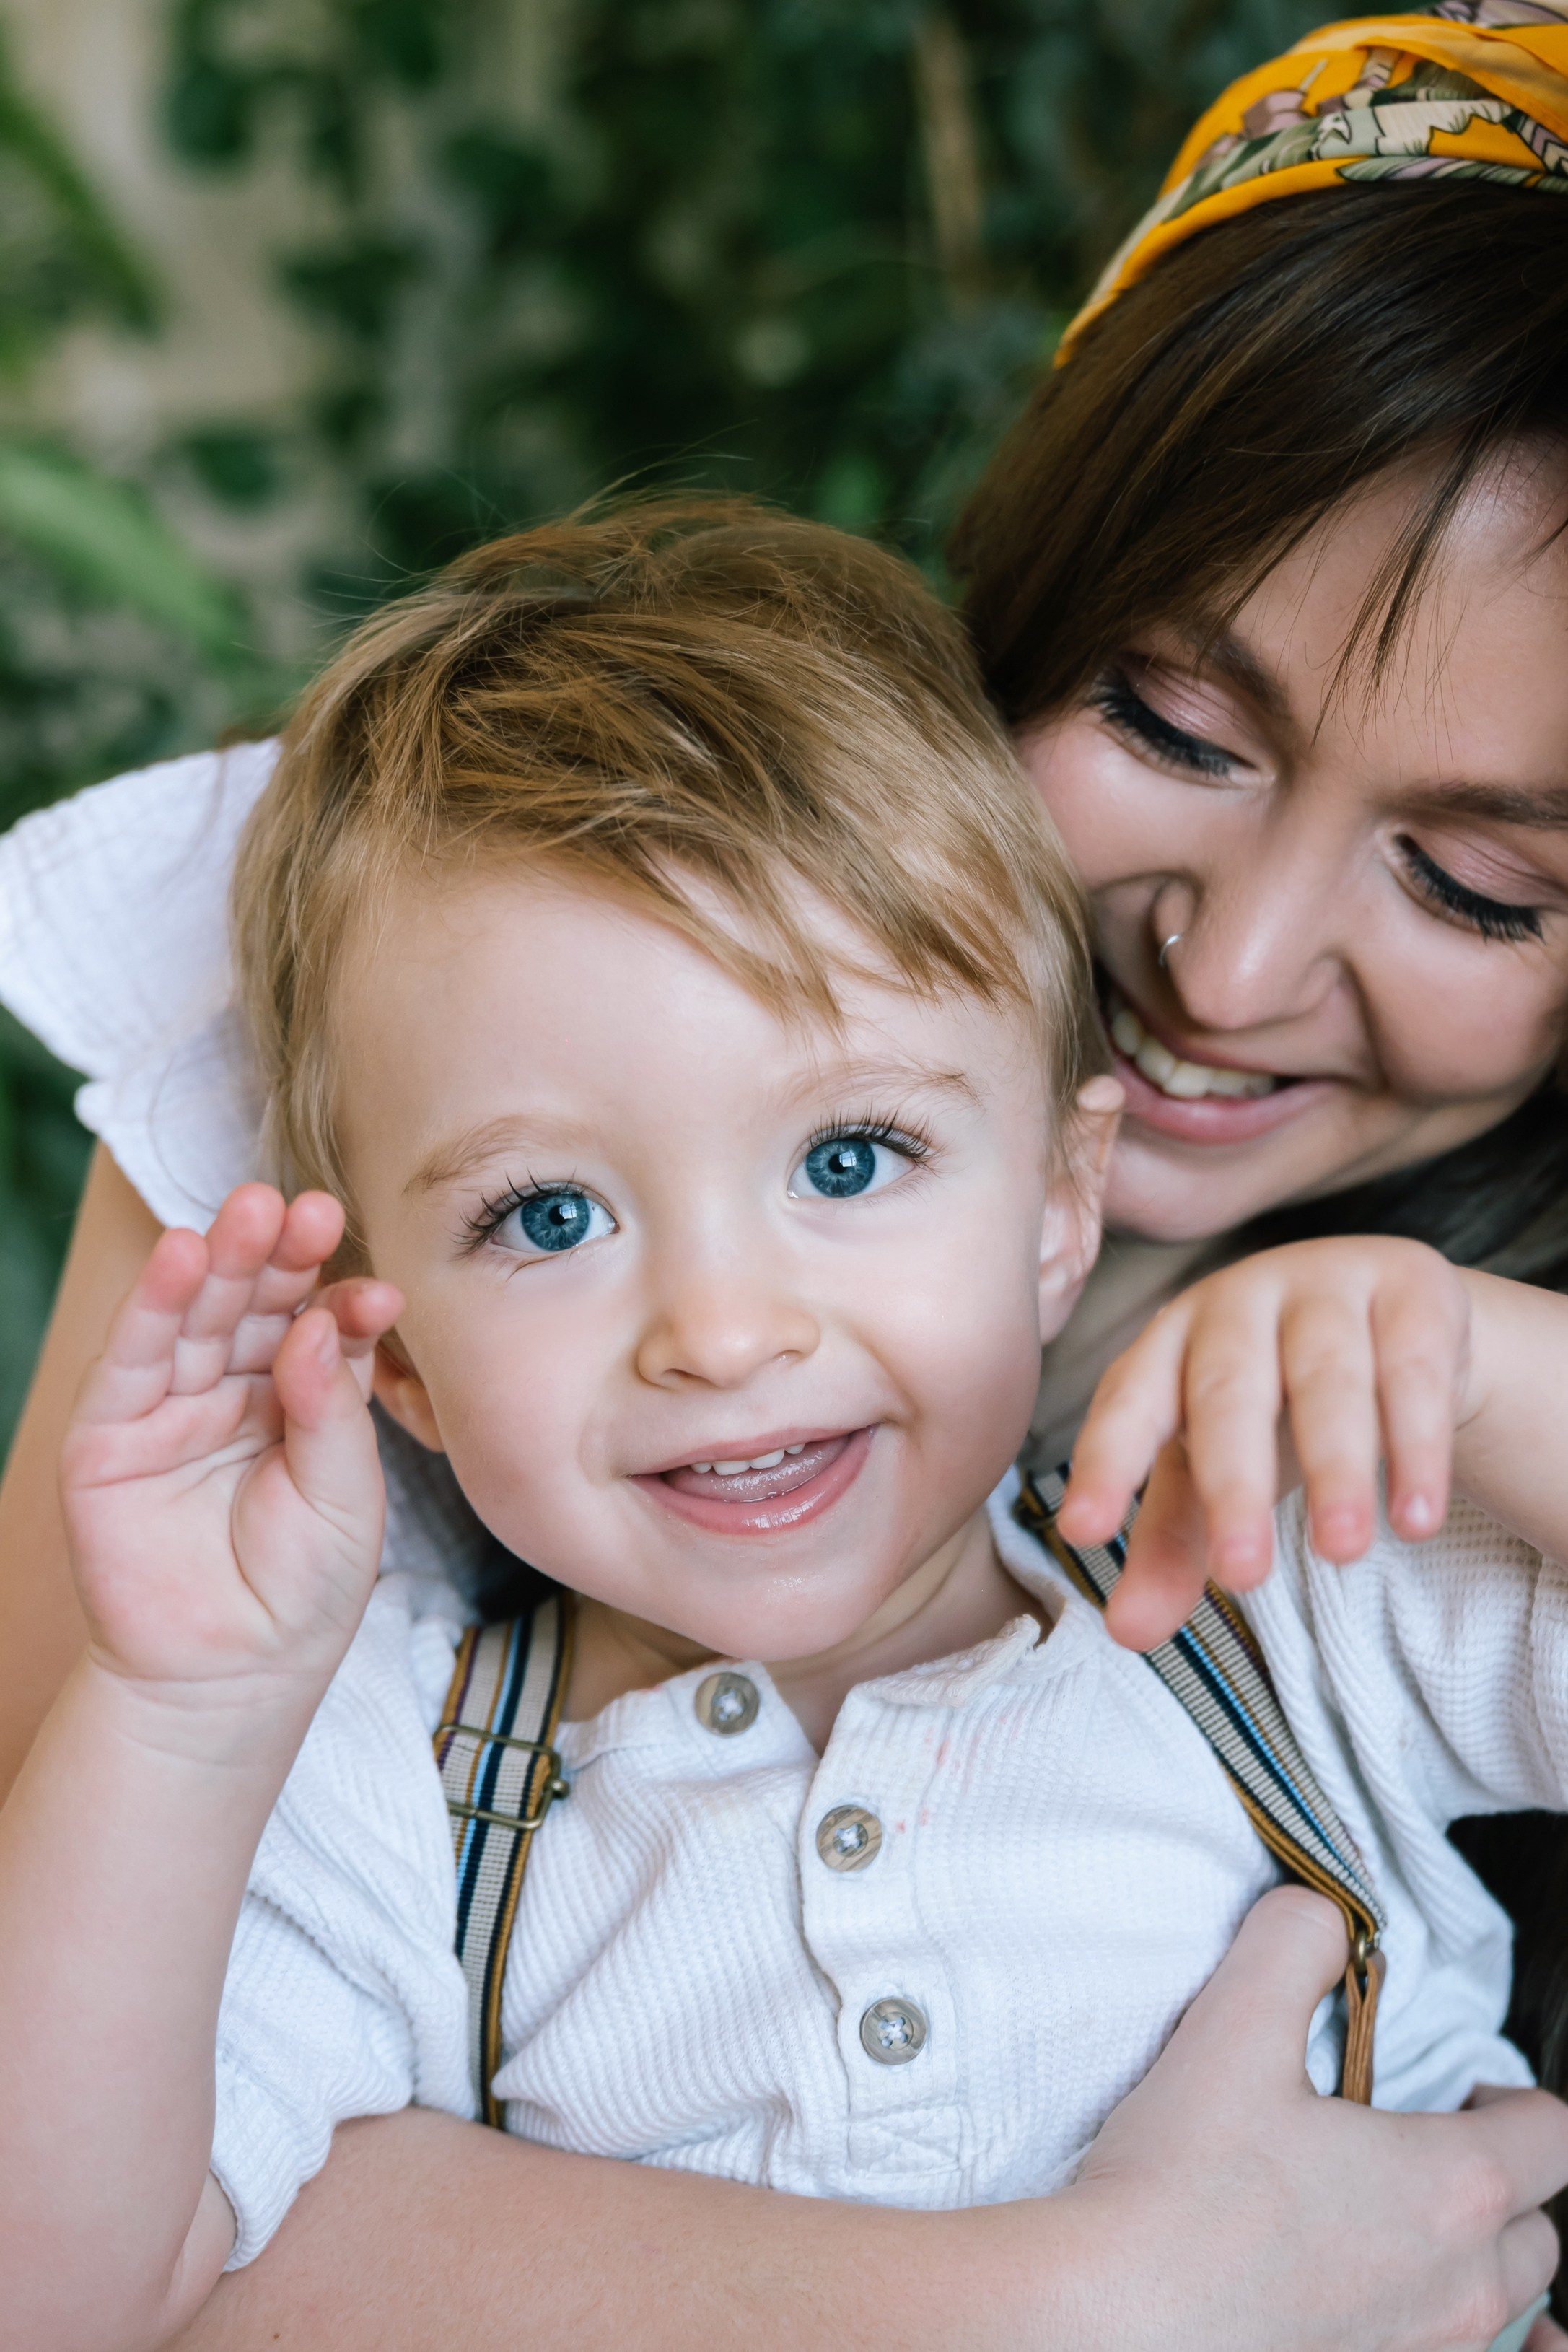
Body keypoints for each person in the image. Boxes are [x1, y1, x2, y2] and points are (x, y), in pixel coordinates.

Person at [5, 4, 1568, 2345]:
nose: (1227, 966)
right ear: (386, 1338)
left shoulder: (1288, 1584)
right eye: (1164, 720)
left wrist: (1490, 1369)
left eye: (1476, 884)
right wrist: (1084, 2303)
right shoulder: (378, 1712)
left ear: (1069, 1183)